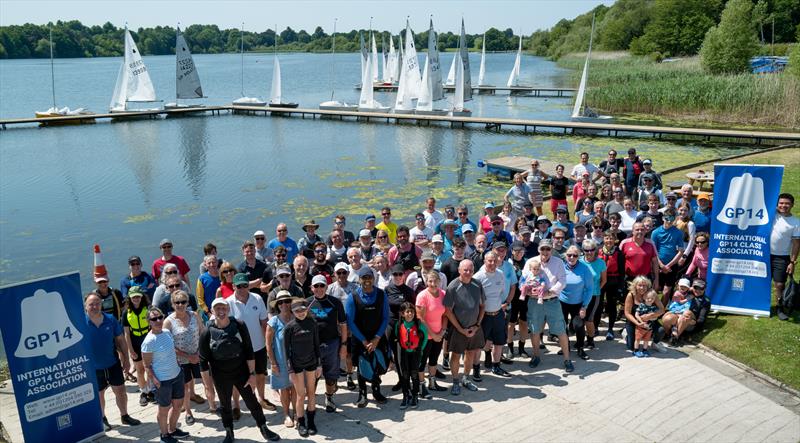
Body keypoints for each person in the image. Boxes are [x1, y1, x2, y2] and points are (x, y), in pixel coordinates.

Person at [199, 299, 280, 443]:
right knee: (225, 405)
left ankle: (263, 427)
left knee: (252, 402)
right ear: (212, 311)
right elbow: (203, 361)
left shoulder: (239, 325)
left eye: (223, 308)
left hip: (241, 371)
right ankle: (229, 432)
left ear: (228, 309)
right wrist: (208, 386)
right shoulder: (207, 332)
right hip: (220, 374)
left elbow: (249, 351)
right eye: (217, 309)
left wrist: (252, 374)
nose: (221, 311)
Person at [85, 293, 141, 431]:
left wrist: (126, 360)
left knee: (121, 391)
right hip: (93, 367)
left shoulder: (110, 319)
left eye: (97, 303)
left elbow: (120, 339)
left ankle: (124, 415)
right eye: (91, 304)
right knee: (99, 395)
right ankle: (102, 419)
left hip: (112, 363)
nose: (95, 306)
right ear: (85, 306)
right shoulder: (80, 322)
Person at [226, 273, 274, 417]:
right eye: (238, 286)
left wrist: (267, 344)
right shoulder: (227, 303)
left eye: (245, 285)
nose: (242, 288)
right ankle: (236, 405)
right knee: (236, 378)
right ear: (233, 286)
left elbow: (264, 323)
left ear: (249, 285)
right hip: (238, 349)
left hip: (258, 346)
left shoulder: (257, 298)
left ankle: (261, 398)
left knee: (260, 374)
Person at [524, 240, 574, 372]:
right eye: (543, 249)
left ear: (551, 249)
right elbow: (523, 280)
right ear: (539, 249)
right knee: (534, 330)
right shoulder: (531, 261)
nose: (545, 252)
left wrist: (550, 291)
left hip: (552, 300)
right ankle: (536, 356)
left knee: (561, 330)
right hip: (534, 302)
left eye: (548, 249)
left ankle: (567, 359)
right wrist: (527, 290)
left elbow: (563, 280)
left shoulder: (558, 262)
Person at [141, 307, 187, 443]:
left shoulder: (167, 332)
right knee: (164, 409)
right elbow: (147, 365)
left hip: (177, 375)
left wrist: (179, 363)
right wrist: (155, 381)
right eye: (154, 319)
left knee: (178, 405)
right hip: (162, 381)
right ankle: (164, 434)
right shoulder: (148, 342)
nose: (158, 321)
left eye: (160, 317)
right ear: (149, 322)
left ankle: (173, 429)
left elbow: (172, 349)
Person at [163, 291, 207, 427]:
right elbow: (167, 345)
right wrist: (188, 356)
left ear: (188, 303)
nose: (180, 305)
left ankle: (213, 405)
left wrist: (199, 352)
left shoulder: (194, 315)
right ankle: (188, 412)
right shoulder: (168, 322)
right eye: (177, 302)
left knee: (207, 381)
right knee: (186, 386)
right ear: (172, 304)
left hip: (198, 356)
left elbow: (203, 333)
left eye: (183, 302)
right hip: (180, 360)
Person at [346, 271, 390, 407]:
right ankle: (362, 393)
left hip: (378, 336)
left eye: (369, 277)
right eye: (364, 277)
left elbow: (385, 317)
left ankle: (376, 390)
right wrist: (364, 341)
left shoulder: (382, 295)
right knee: (361, 365)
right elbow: (350, 321)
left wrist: (377, 338)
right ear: (359, 279)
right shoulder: (352, 297)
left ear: (374, 278)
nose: (367, 280)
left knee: (377, 364)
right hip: (360, 338)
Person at [306, 275, 348, 413]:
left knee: (331, 376)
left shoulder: (335, 302)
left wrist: (344, 345)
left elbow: (343, 325)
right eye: (316, 286)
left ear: (326, 287)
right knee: (313, 377)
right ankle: (311, 401)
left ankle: (329, 398)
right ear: (312, 288)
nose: (319, 289)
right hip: (313, 346)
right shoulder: (307, 303)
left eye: (322, 286)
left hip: (332, 343)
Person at [443, 260, 485, 395]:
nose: (468, 273)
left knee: (471, 354)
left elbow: (482, 306)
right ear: (459, 270)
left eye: (471, 270)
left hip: (474, 328)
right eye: (465, 270)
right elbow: (448, 311)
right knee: (455, 356)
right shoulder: (452, 287)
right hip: (458, 329)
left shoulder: (477, 284)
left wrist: (477, 325)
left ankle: (466, 378)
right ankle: (455, 381)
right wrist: (461, 329)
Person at [284, 299, 321, 437]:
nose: (300, 313)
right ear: (292, 312)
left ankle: (311, 421)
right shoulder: (290, 327)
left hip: (311, 362)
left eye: (303, 310)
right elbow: (286, 351)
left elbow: (317, 345)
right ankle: (301, 421)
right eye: (297, 311)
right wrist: (290, 370)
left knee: (311, 392)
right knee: (300, 395)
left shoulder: (312, 323)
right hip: (297, 364)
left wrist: (319, 365)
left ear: (307, 309)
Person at [474, 251, 513, 378]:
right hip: (484, 316)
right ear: (484, 261)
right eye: (489, 261)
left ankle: (496, 366)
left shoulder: (500, 274)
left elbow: (501, 292)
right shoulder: (478, 277)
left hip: (498, 314)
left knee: (499, 342)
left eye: (494, 261)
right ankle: (476, 369)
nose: (492, 263)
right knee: (479, 344)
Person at [266, 290, 297, 428]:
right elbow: (268, 344)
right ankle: (286, 414)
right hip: (280, 360)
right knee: (284, 389)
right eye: (281, 302)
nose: (284, 304)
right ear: (278, 305)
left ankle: (297, 412)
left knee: (295, 388)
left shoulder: (297, 318)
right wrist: (273, 363)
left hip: (297, 360)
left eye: (287, 301)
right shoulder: (273, 322)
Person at [415, 270, 449, 394]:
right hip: (425, 335)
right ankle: (421, 386)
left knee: (434, 359)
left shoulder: (443, 294)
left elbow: (446, 315)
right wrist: (433, 335)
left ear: (439, 282)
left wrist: (442, 332)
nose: (433, 284)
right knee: (422, 361)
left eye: (435, 281)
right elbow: (421, 318)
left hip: (439, 333)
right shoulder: (422, 296)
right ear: (426, 282)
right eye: (430, 281)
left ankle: (432, 383)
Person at [390, 302, 428, 409]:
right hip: (404, 354)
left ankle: (415, 396)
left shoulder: (419, 324)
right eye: (407, 312)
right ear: (402, 314)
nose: (410, 314)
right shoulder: (399, 325)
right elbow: (398, 337)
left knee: (414, 375)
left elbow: (425, 337)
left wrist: (420, 349)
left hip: (415, 353)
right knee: (405, 375)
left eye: (412, 311)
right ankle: (406, 395)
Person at [559, 245, 594, 360]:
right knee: (562, 326)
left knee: (578, 326)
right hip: (562, 302)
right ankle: (565, 346)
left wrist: (584, 306)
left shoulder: (584, 269)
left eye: (575, 255)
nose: (572, 257)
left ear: (579, 256)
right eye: (569, 255)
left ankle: (580, 348)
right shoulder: (561, 267)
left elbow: (590, 288)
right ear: (565, 256)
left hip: (578, 303)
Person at [121, 287, 153, 406]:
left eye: (138, 296)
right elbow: (126, 333)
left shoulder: (148, 310)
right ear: (129, 298)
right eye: (133, 296)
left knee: (149, 368)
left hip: (148, 341)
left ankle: (150, 390)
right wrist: (130, 350)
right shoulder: (126, 313)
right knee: (140, 370)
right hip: (135, 343)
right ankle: (143, 392)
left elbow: (154, 326)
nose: (136, 298)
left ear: (142, 296)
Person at [771, 193, 800, 305]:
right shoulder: (770, 214)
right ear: (777, 204)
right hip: (762, 254)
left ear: (792, 205)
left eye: (787, 203)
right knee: (759, 282)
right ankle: (759, 306)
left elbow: (796, 244)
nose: (783, 205)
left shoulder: (796, 222)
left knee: (780, 284)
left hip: (781, 257)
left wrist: (792, 262)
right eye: (781, 203)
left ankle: (780, 307)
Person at [651, 209, 685, 304]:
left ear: (675, 219)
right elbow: (653, 251)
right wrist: (661, 265)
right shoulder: (655, 232)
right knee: (655, 289)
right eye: (667, 218)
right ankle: (652, 309)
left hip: (672, 265)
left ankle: (661, 311)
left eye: (671, 218)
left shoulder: (678, 233)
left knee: (666, 291)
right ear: (662, 218)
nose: (669, 221)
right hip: (657, 264)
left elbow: (680, 251)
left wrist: (668, 266)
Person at [623, 276, 665, 352]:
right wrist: (638, 323)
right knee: (631, 347)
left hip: (650, 320)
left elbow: (662, 309)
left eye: (644, 285)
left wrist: (650, 315)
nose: (642, 288)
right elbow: (627, 313)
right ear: (635, 286)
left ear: (648, 286)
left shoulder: (652, 293)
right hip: (633, 321)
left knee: (661, 330)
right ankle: (626, 334)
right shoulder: (631, 295)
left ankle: (655, 343)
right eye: (640, 285)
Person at [599, 231, 626, 340]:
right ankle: (595, 327)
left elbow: (622, 272)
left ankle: (610, 329)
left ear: (615, 240)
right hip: (600, 281)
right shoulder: (598, 251)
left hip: (613, 280)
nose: (609, 241)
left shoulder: (619, 254)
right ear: (603, 239)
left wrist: (620, 285)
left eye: (611, 238)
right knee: (598, 304)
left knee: (612, 305)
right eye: (607, 238)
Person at [581, 240, 607, 349]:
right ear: (583, 251)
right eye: (586, 250)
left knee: (589, 319)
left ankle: (590, 340)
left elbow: (604, 280)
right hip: (579, 295)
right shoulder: (579, 261)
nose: (589, 252)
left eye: (591, 250)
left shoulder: (601, 262)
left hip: (594, 295)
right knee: (580, 319)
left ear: (595, 250)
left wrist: (594, 290)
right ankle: (580, 339)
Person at [620, 222, 659, 289]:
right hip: (629, 278)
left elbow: (655, 262)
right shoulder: (624, 243)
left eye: (642, 229)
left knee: (646, 299)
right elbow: (619, 261)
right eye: (637, 230)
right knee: (629, 298)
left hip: (646, 278)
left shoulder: (650, 243)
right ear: (632, 231)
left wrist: (656, 279)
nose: (640, 231)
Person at [633, 291, 659, 358]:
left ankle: (645, 350)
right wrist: (641, 322)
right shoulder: (642, 305)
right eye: (648, 298)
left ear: (654, 299)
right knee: (638, 339)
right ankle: (636, 350)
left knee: (647, 339)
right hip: (641, 326)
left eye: (652, 298)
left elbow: (656, 317)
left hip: (649, 327)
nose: (650, 300)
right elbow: (636, 314)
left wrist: (652, 317)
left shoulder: (654, 308)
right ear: (644, 297)